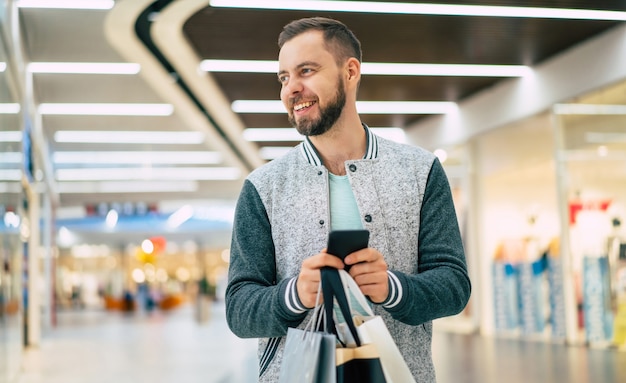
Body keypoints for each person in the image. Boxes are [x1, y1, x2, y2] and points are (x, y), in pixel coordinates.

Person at [225, 16, 471, 382]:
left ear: (350, 71)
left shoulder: (420, 172)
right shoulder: (263, 188)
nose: (291, 88)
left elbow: (454, 284)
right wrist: (294, 294)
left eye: (305, 70)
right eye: (283, 78)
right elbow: (239, 308)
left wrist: (394, 287)